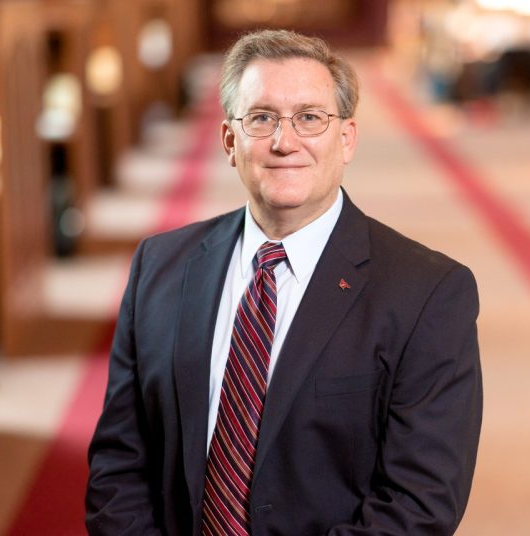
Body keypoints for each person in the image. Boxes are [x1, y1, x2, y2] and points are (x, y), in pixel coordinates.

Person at [86, 29, 482, 535]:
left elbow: (419, 504)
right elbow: (119, 461)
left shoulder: (428, 293)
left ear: (346, 139)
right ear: (230, 140)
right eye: (261, 117)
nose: (284, 141)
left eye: (310, 118)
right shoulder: (159, 267)